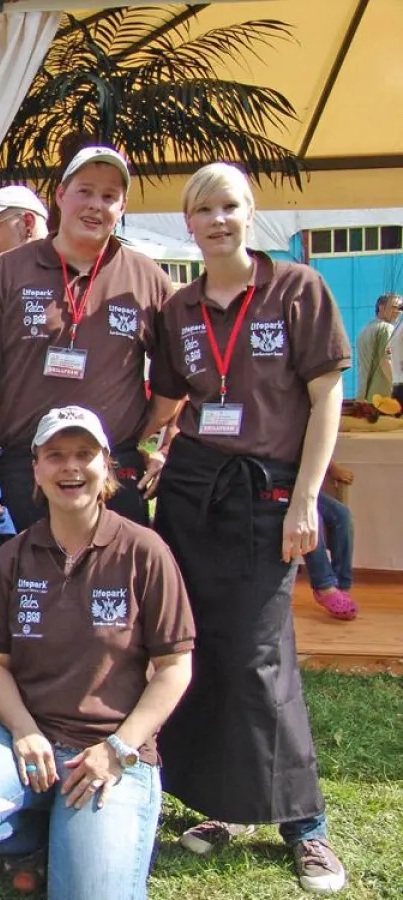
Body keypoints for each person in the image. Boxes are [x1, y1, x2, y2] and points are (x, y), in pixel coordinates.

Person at [145, 162, 350, 894]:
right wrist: (137, 457)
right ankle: (218, 806)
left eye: (229, 206)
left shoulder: (299, 290)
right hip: (195, 494)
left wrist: (306, 501)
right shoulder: (179, 308)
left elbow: (327, 399)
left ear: (250, 211)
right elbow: (168, 403)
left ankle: (306, 825)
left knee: (262, 654)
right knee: (200, 646)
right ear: (189, 223)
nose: (218, 220)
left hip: (270, 494)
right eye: (203, 210)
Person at [0, 405, 194, 900]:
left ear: (107, 465)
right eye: (55, 455)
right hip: (28, 741)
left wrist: (118, 750)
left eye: (84, 454)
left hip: (111, 750)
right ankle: (38, 836)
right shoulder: (14, 556)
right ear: (35, 469)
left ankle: (71, 836)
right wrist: (22, 729)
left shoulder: (144, 552)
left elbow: (174, 669)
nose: (71, 468)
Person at [0, 146, 172, 536]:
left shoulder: (148, 280)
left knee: (112, 594)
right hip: (27, 469)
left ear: (122, 206)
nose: (95, 206)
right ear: (60, 195)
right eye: (85, 191)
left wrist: (159, 443)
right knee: (30, 593)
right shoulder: (6, 273)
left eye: (109, 196)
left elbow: (186, 377)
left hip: (113, 469)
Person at [303, 464, 358, 620]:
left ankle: (342, 586)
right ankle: (324, 586)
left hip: (304, 486)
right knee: (313, 518)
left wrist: (331, 468)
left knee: (342, 515)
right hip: (281, 488)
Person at [355, 292, 401, 400]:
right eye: (395, 307)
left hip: (365, 397)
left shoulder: (364, 330)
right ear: (381, 307)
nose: (398, 312)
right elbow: (386, 361)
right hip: (383, 398)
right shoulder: (387, 329)